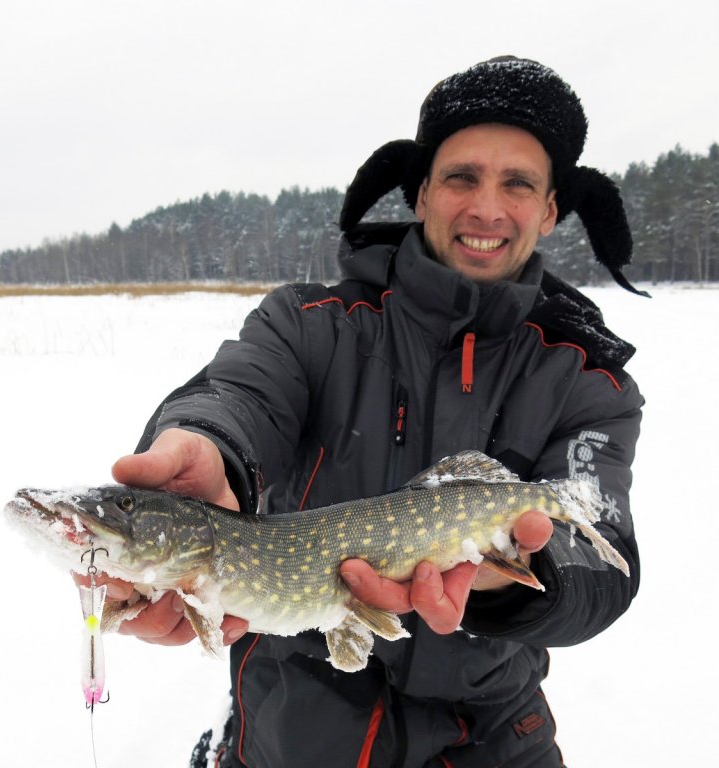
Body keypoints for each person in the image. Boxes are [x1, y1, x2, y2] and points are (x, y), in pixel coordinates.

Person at [102, 56, 644, 767]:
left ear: (548, 210)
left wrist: (502, 578)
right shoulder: (312, 324)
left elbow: (602, 561)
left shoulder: (587, 380)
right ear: (420, 193)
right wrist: (206, 441)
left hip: (492, 734)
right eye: (461, 177)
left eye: (517, 183)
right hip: (295, 723)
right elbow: (239, 394)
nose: (486, 208)